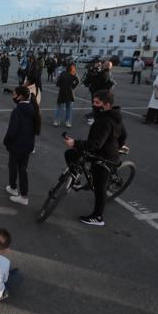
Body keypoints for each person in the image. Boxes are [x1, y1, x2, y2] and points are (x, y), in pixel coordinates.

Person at [63, 90, 127, 226]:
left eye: (97, 103)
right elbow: (123, 135)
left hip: (105, 157)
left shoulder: (104, 120)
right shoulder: (115, 116)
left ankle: (98, 217)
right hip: (102, 152)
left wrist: (74, 143)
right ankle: (77, 180)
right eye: (93, 102)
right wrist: (119, 145)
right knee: (71, 155)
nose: (94, 105)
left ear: (107, 105)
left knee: (99, 188)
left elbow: (95, 144)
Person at [4, 86, 41, 206]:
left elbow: (12, 130)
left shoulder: (18, 110)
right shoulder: (33, 108)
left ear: (20, 96)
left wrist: (6, 141)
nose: (13, 96)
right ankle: (23, 194)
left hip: (17, 145)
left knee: (13, 166)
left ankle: (14, 188)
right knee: (23, 169)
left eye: (14, 94)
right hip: (28, 145)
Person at [54, 63, 80, 128]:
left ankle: (57, 121)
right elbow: (78, 82)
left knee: (61, 108)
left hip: (64, 93)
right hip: (69, 93)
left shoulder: (63, 74)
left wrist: (62, 84)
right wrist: (72, 87)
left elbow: (57, 84)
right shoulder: (73, 74)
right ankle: (66, 122)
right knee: (68, 108)